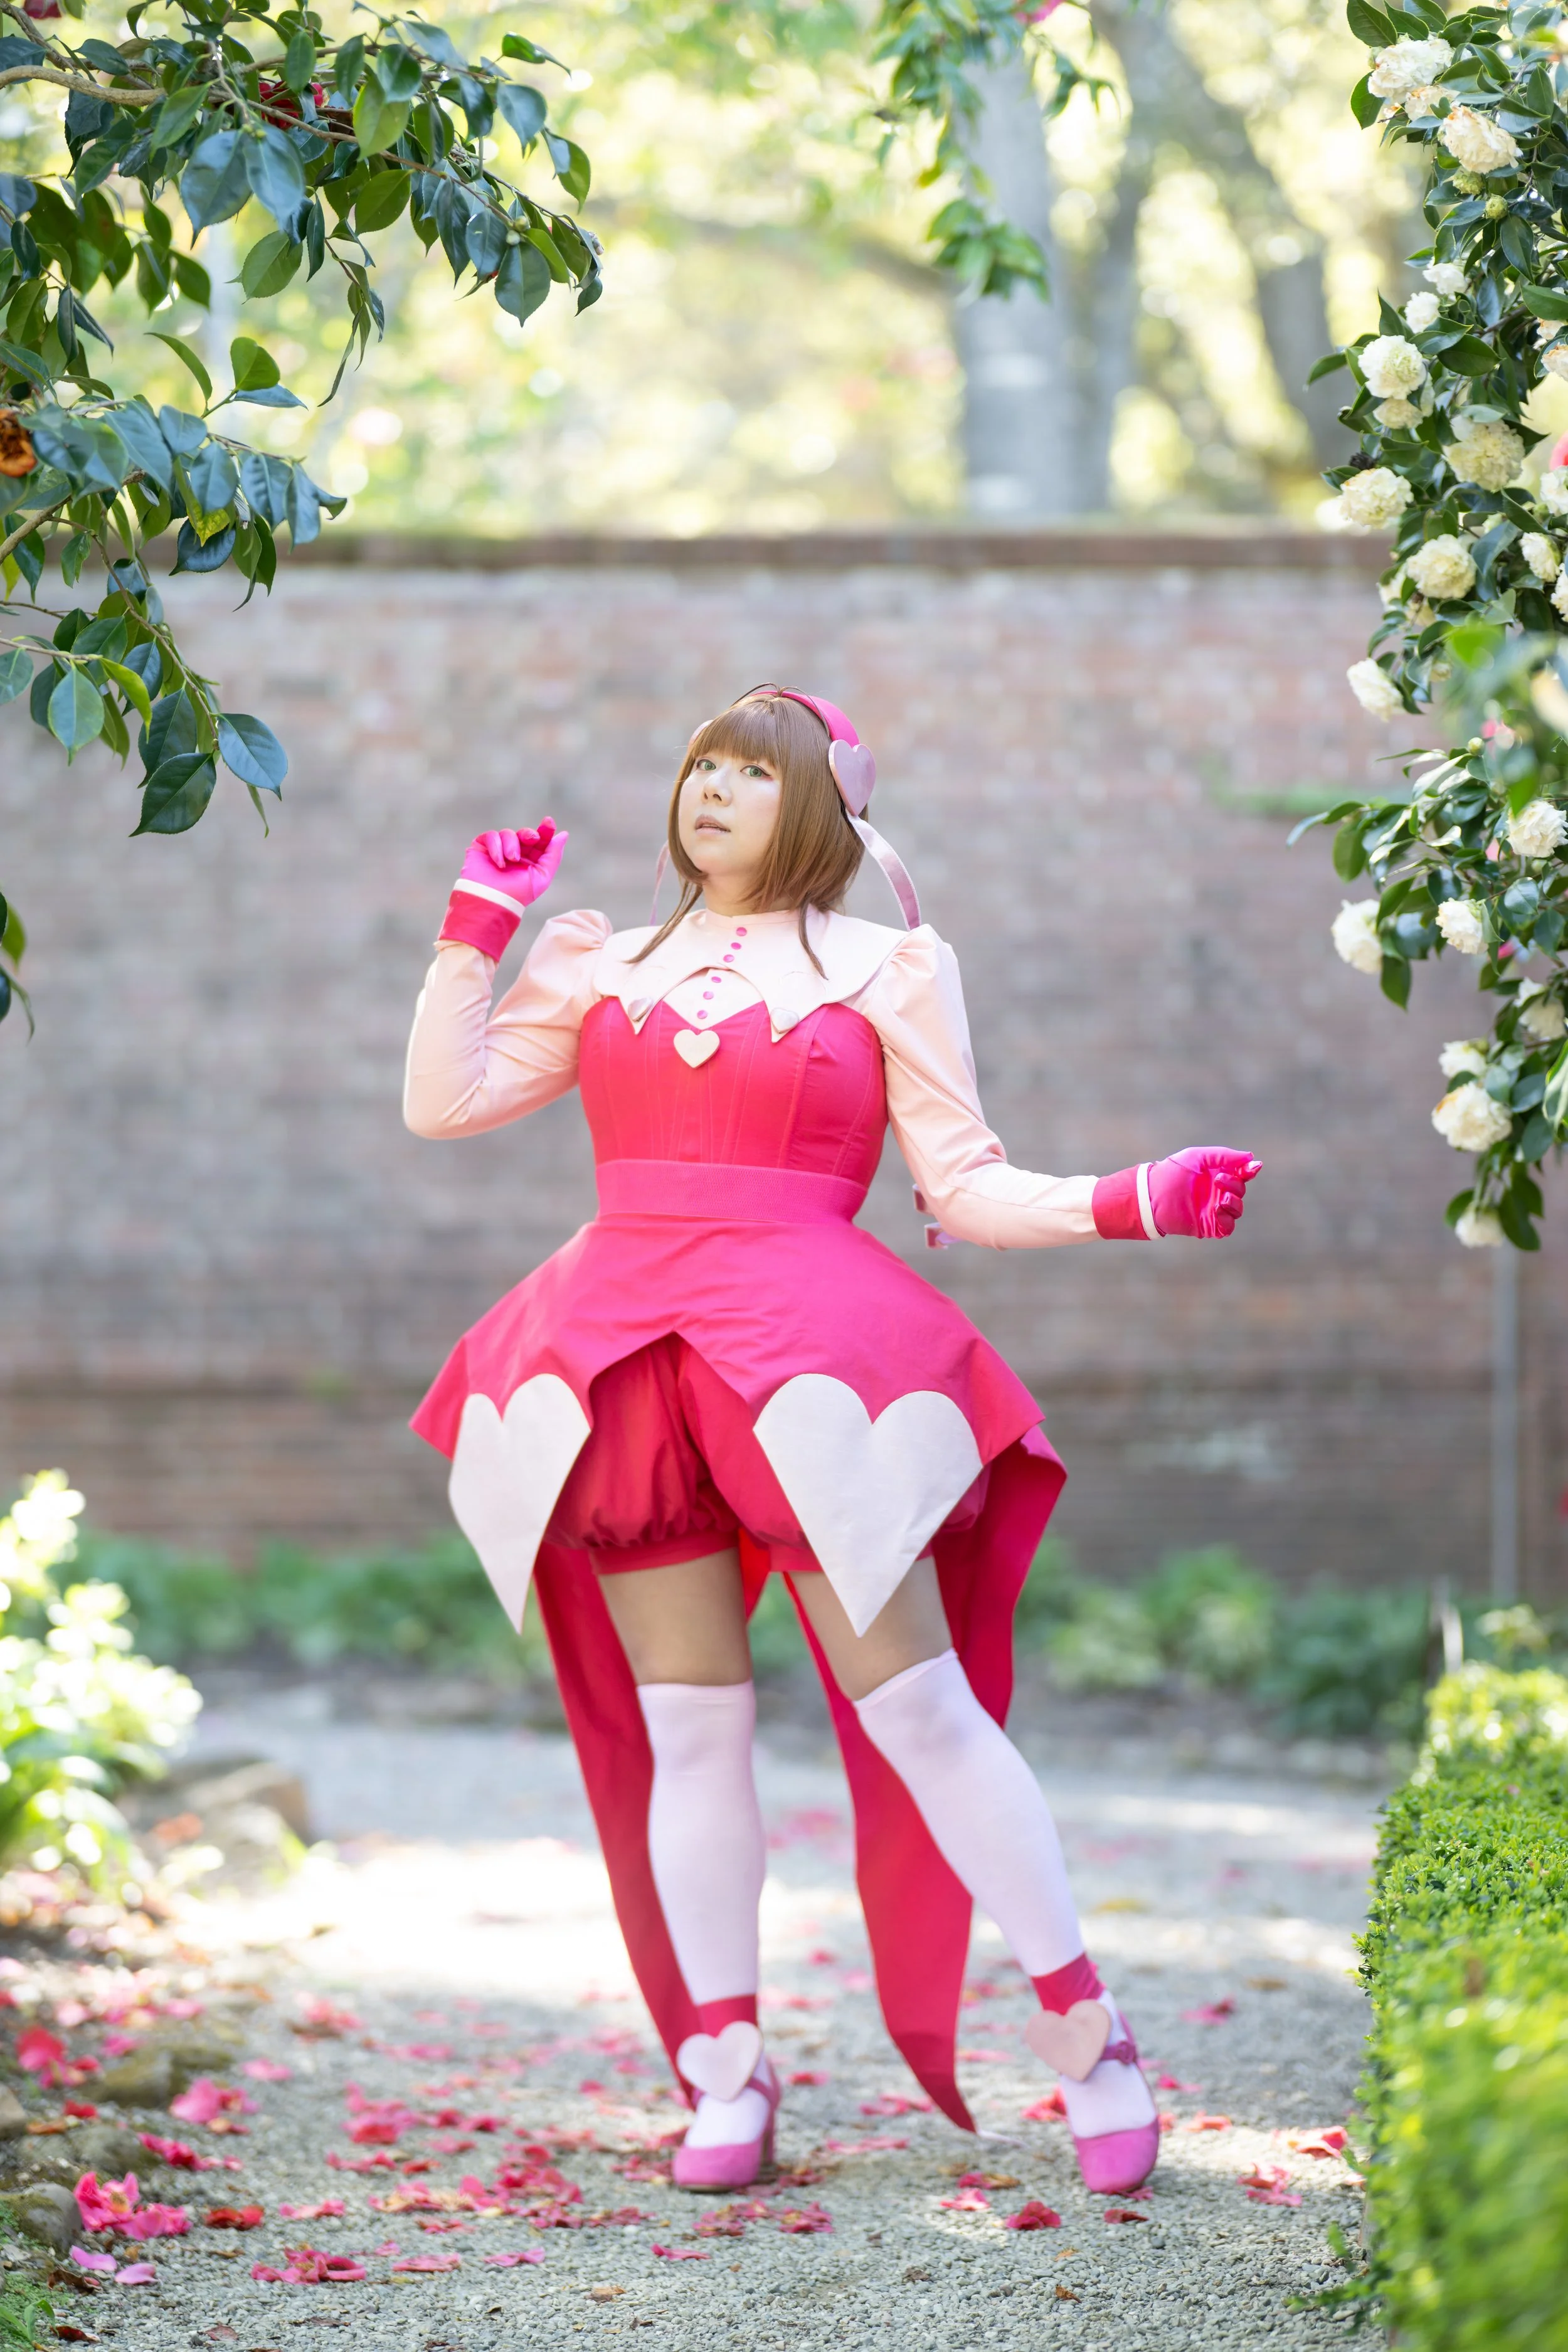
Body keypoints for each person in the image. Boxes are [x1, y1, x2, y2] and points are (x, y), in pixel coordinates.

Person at [403, 685, 1259, 2198]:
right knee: (689, 1728)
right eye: (701, 766)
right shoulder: (600, 955)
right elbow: (446, 1103)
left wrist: (1130, 1197)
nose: (714, 792)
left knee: (920, 1710)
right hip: (622, 1356)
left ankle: (1085, 2037)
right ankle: (722, 2071)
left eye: (751, 771)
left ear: (820, 807)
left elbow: (966, 1185)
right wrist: (477, 928)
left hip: (813, 1369)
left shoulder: (890, 967)